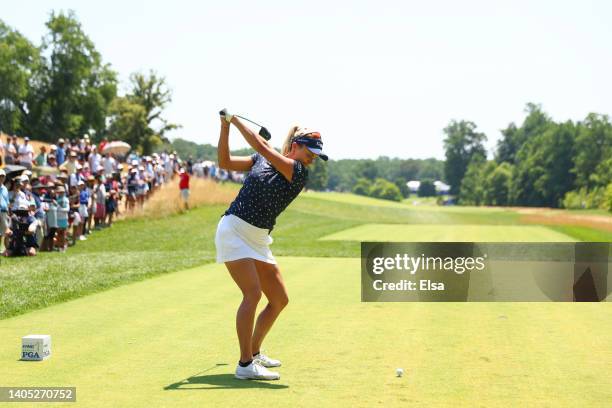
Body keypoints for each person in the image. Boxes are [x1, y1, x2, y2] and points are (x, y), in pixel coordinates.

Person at [215, 110, 328, 380]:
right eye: (309, 152)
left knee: (278, 299)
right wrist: (225, 127)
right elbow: (224, 162)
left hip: (258, 238)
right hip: (234, 229)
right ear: (295, 146)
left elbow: (259, 144)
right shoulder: (260, 160)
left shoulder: (298, 172)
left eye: (315, 156)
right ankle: (245, 365)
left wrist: (234, 119)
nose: (312, 159)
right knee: (252, 294)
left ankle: (253, 353)